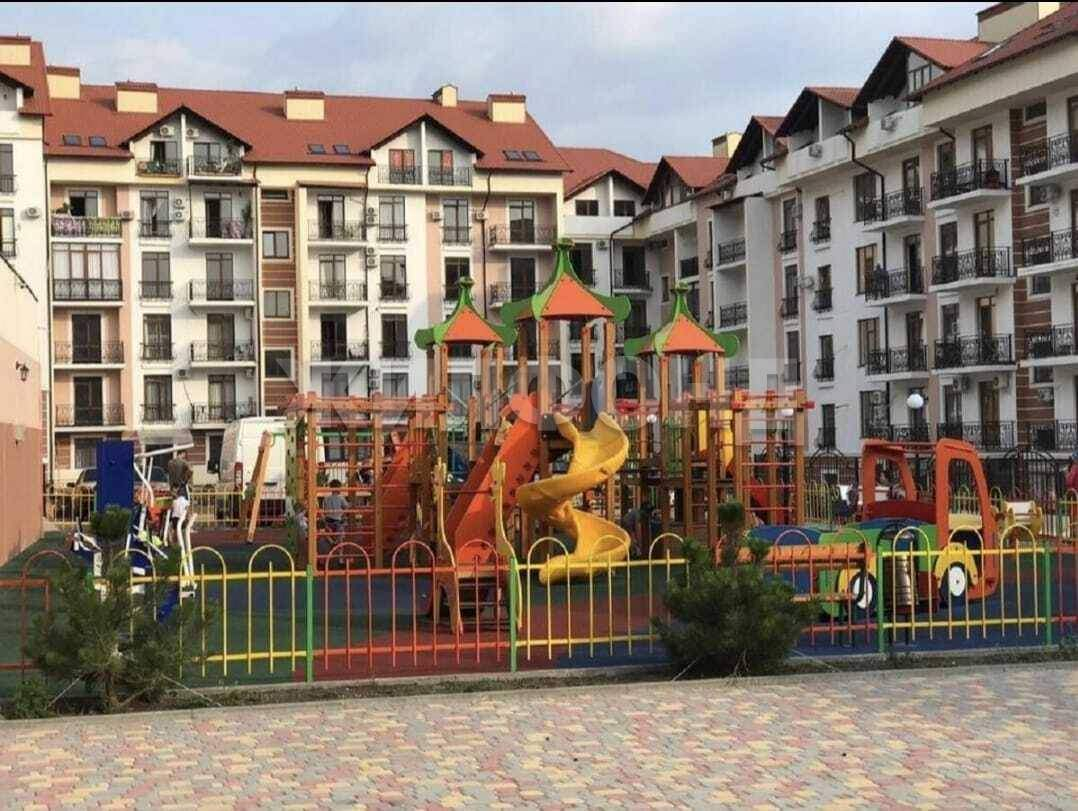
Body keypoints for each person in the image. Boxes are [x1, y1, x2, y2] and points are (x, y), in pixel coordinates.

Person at [322, 479, 349, 548]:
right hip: (338, 521)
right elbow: (346, 507)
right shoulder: (341, 498)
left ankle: (332, 543)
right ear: (338, 488)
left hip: (328, 521)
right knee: (341, 535)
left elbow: (325, 511)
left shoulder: (326, 498)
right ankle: (339, 549)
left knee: (326, 533)